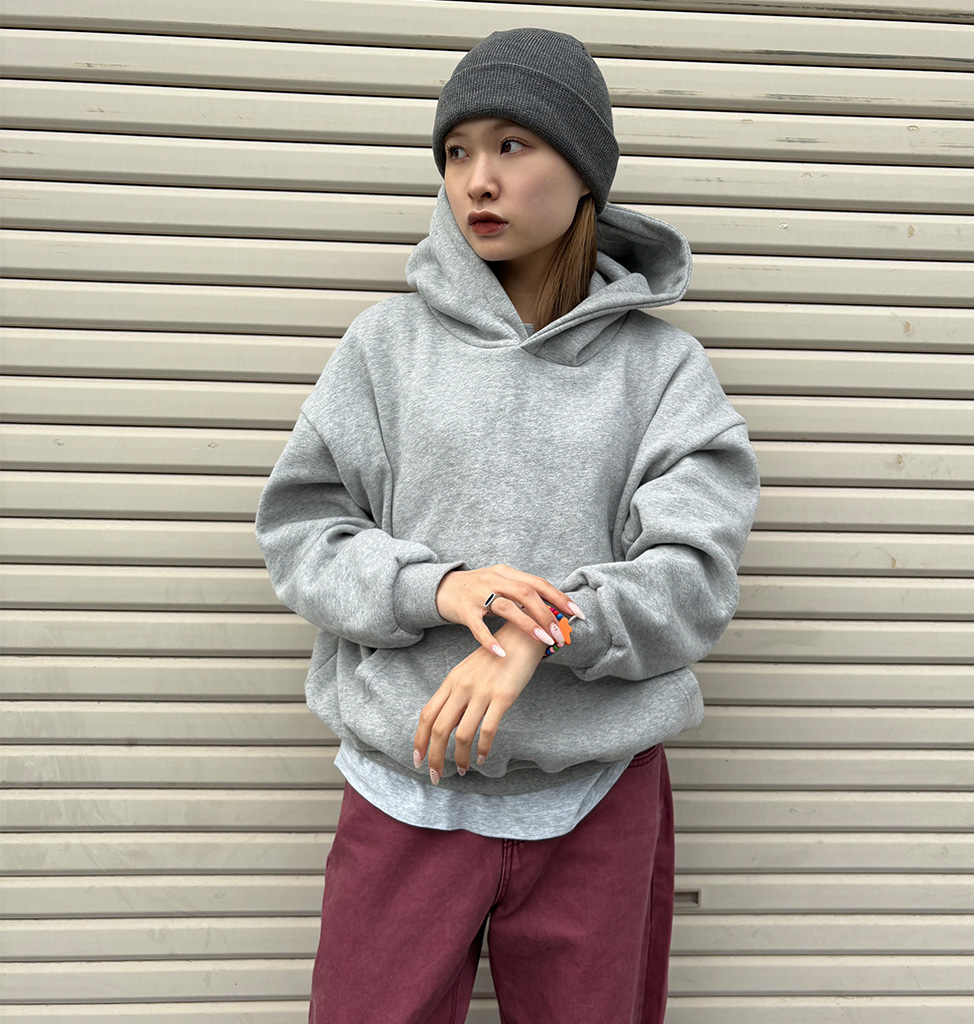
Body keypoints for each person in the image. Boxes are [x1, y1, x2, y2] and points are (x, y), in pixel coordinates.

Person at [254, 26, 761, 1024]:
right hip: (405, 787)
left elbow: (694, 578)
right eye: (456, 151)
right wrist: (438, 587)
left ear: (583, 172)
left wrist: (547, 625)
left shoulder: (662, 372)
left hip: (595, 793)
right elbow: (302, 531)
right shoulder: (385, 350)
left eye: (512, 145)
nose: (476, 180)